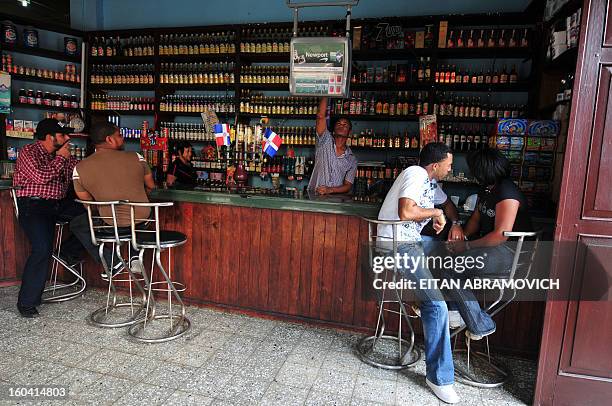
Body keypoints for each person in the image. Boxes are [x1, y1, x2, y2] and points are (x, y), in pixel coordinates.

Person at [377, 142, 461, 404]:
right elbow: (406, 211)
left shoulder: (428, 183)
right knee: (436, 306)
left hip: (408, 241)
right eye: (449, 164)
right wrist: (436, 212)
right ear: (435, 165)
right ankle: (439, 378)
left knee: (448, 253)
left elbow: (435, 207)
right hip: (398, 245)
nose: (451, 168)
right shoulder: (416, 173)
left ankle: (441, 304)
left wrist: (447, 218)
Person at [444, 148, 533, 340]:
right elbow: (475, 220)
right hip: (492, 250)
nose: (471, 173)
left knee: (452, 267)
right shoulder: (486, 189)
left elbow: (501, 235)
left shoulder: (507, 192)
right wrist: (461, 237)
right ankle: (456, 313)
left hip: (510, 253)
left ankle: (476, 322)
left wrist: (466, 247)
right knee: (446, 260)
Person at [12, 118, 85, 318]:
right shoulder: (29, 152)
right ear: (49, 137)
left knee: (92, 213)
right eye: (63, 135)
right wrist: (61, 158)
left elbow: (79, 174)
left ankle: (66, 253)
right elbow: (41, 177)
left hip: (58, 204)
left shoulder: (64, 156)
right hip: (34, 205)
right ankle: (27, 302)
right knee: (42, 249)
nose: (68, 138)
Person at [70, 122, 156, 275]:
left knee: (78, 224)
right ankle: (135, 255)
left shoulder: (80, 168)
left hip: (111, 224)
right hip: (143, 219)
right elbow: (151, 187)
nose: (123, 139)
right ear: (109, 139)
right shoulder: (137, 157)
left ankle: (112, 262)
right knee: (137, 220)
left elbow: (89, 205)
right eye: (119, 136)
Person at [307, 97, 357, 195]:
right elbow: (320, 116)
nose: (341, 126)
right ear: (333, 129)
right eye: (338, 124)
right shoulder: (325, 140)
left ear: (349, 133)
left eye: (345, 125)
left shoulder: (352, 159)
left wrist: (330, 190)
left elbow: (347, 185)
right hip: (314, 196)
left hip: (336, 201)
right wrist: (327, 92)